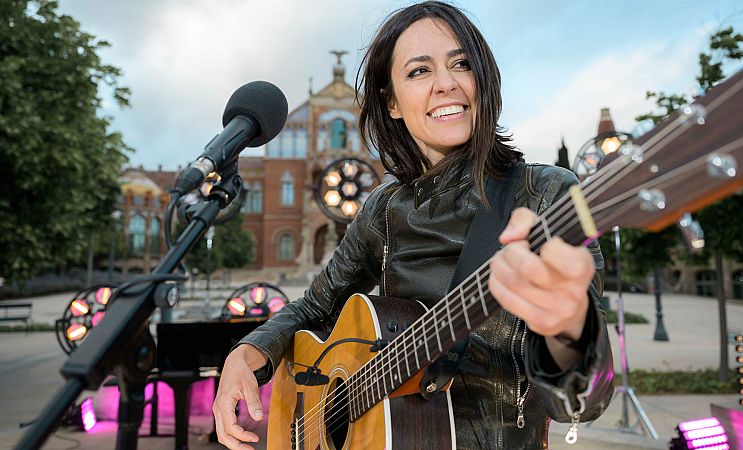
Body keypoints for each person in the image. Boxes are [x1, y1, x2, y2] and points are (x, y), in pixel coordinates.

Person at [213, 2, 613, 449]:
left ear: (483, 80)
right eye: (419, 71)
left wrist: (572, 325)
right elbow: (314, 307)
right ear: (392, 103)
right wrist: (246, 353)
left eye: (461, 63)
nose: (446, 83)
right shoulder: (383, 208)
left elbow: (584, 405)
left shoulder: (545, 194)